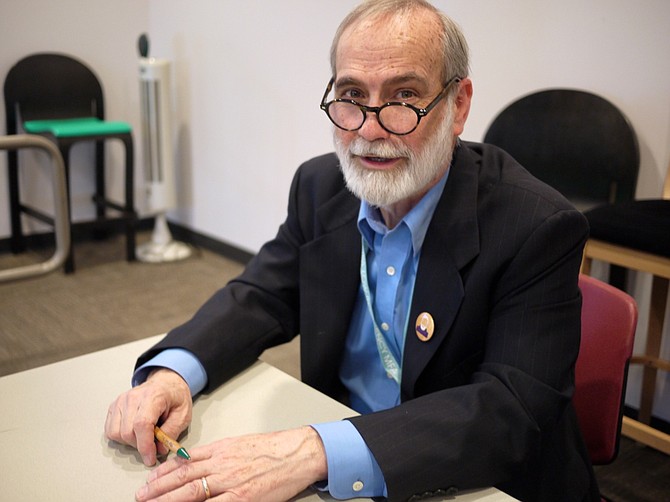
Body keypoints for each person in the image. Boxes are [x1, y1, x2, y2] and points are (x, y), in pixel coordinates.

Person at [105, 1, 600, 501]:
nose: (368, 130)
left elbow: (510, 410)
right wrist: (174, 373)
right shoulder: (321, 186)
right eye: (351, 95)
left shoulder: (535, 225)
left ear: (458, 105)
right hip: (341, 467)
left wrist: (314, 451)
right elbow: (262, 294)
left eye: (404, 96)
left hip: (473, 482)